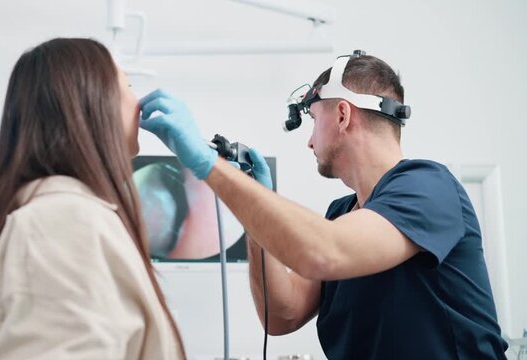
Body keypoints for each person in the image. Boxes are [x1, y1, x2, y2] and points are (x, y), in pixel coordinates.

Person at [138, 51, 508, 359]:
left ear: (343, 115)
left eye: (313, 121)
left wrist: (210, 168)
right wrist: (253, 219)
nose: (310, 142)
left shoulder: (428, 186)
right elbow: (281, 315)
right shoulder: (340, 214)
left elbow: (324, 251)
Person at [0, 38, 185, 359]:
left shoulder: (64, 214)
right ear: (93, 105)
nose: (140, 102)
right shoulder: (63, 221)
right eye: (129, 86)